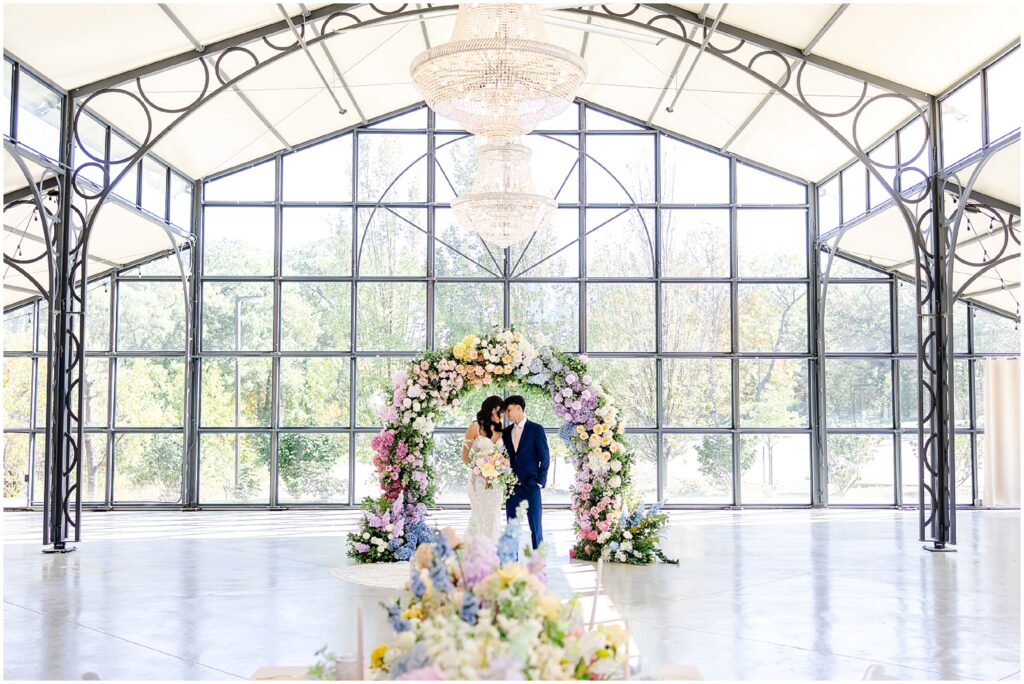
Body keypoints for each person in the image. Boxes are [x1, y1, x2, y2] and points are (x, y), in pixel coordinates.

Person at [501, 395, 549, 549]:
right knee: (512, 525)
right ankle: (511, 561)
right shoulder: (506, 432)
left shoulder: (536, 429)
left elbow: (545, 457)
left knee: (535, 526)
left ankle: (538, 559)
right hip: (512, 487)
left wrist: (540, 481)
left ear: (518, 408)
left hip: (531, 484)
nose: (507, 414)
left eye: (509, 410)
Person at [461, 395, 505, 539]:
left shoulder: (501, 428)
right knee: (479, 512)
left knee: (493, 513)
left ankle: (491, 549)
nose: (503, 413)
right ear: (493, 409)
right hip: (478, 480)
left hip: (496, 481)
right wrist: (478, 469)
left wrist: (499, 468)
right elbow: (465, 456)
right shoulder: (475, 426)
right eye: (501, 410)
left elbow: (504, 455)